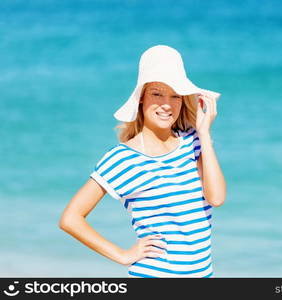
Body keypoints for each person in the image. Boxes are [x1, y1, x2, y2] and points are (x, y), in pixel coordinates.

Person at [58, 45, 227, 278]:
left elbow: (216, 198)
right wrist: (122, 255)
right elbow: (70, 218)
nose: (167, 104)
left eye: (175, 95)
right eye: (157, 93)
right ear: (141, 98)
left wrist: (205, 134)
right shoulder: (122, 160)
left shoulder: (193, 142)